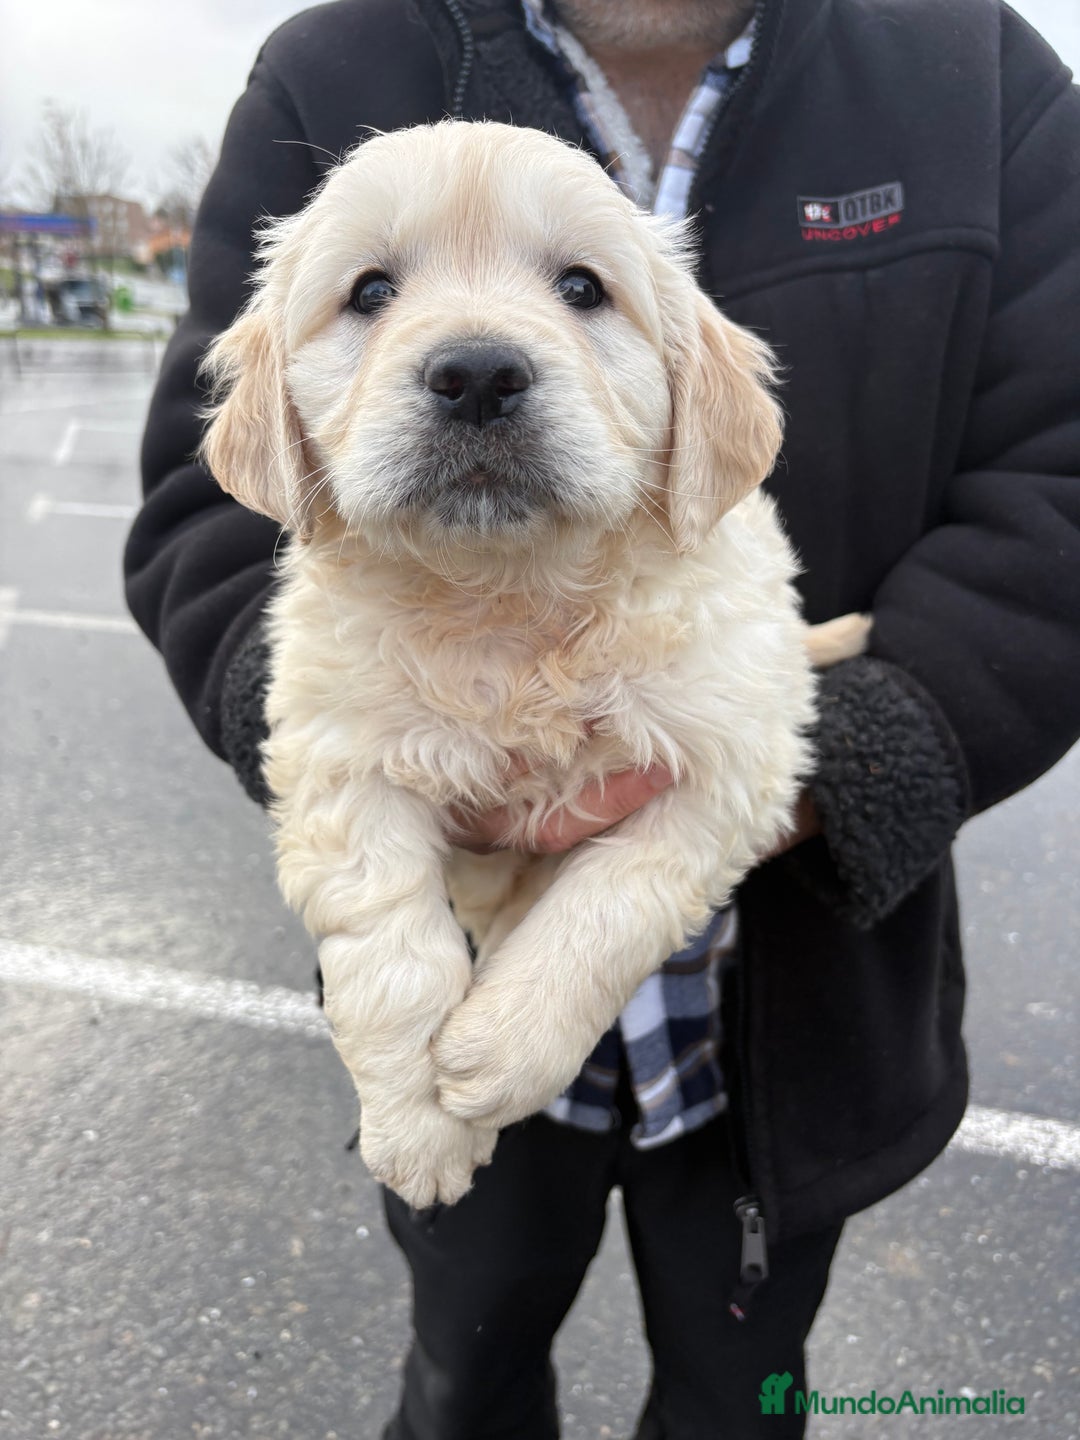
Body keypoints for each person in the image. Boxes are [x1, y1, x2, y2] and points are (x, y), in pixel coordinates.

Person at [124, 1, 1080, 1436]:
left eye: (579, 286)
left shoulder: (976, 68)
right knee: (465, 1384)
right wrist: (376, 756)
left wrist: (846, 749)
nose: (474, 359)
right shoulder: (327, 68)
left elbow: (1063, 486)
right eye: (373, 291)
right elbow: (200, 528)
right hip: (453, 1021)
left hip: (796, 1010)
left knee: (743, 1401)